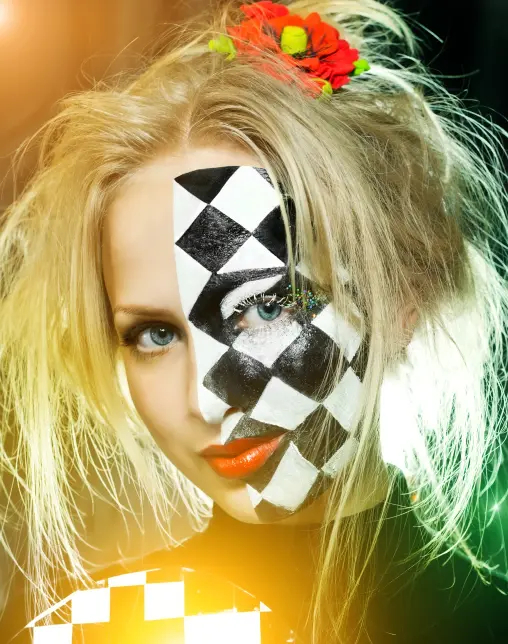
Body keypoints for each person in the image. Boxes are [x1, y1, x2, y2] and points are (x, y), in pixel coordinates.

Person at [0, 0, 507, 642]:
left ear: (402, 297)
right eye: (155, 335)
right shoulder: (91, 629)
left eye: (265, 307)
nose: (203, 400)